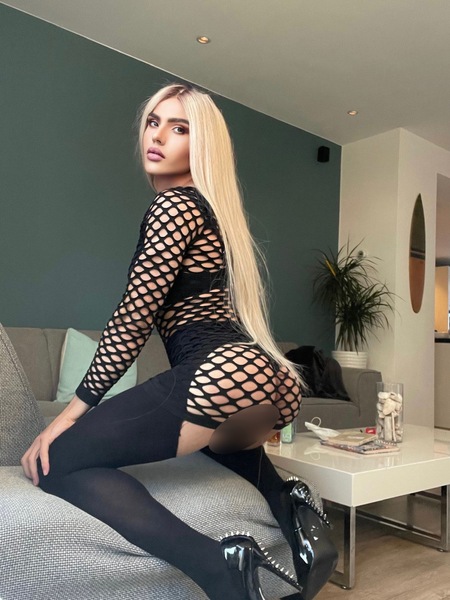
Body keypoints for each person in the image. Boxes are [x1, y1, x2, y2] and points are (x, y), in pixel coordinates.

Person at [21, 83, 333, 600]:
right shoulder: (215, 213)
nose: (159, 136)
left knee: (57, 462)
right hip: (268, 380)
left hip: (223, 370)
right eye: (154, 122)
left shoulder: (174, 206)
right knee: (214, 444)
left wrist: (67, 417)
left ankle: (218, 567)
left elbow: (132, 319)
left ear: (201, 143)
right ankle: (290, 503)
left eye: (180, 128)